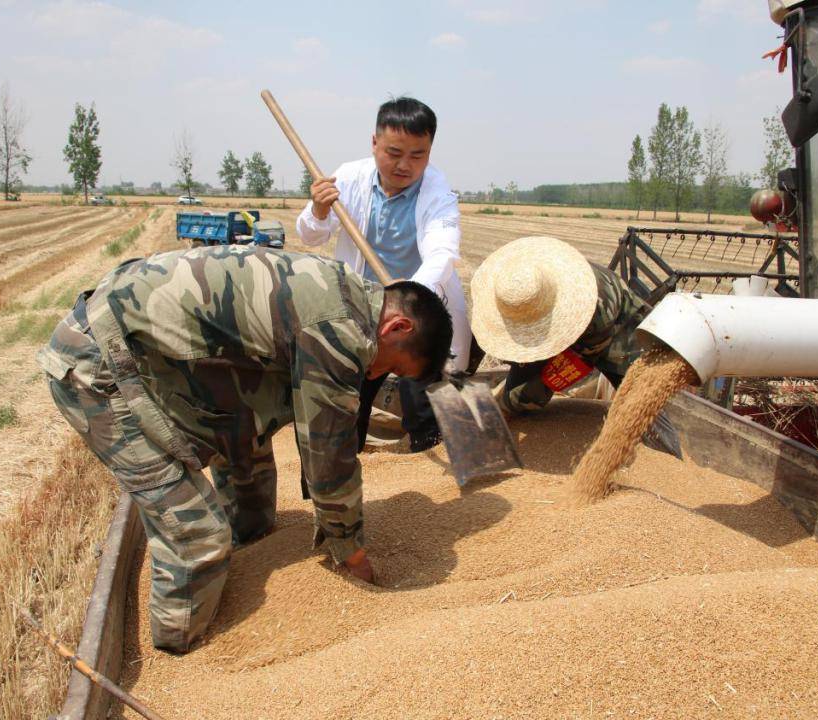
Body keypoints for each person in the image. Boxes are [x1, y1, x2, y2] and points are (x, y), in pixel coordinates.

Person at [36, 244, 453, 653]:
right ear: (397, 327)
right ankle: (179, 651)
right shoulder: (339, 331)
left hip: (154, 346)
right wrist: (350, 549)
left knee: (249, 452)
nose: (377, 374)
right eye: (392, 366)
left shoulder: (347, 291)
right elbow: (328, 456)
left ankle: (249, 541)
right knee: (196, 536)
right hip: (97, 363)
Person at [295, 96, 471, 452]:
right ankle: (348, 455)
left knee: (427, 392)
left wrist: (409, 301)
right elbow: (309, 236)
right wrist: (318, 208)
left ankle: (431, 446)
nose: (405, 165)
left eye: (417, 155)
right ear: (374, 143)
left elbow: (442, 252)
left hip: (420, 309)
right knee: (352, 394)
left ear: (430, 150)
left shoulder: (438, 193)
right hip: (362, 311)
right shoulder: (346, 178)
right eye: (394, 152)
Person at [470, 236, 682, 458]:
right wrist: (464, 373)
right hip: (557, 325)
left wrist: (507, 405)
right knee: (517, 393)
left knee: (642, 406)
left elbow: (557, 375)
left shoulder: (594, 311)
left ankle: (671, 462)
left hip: (619, 335)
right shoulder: (516, 287)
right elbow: (481, 336)